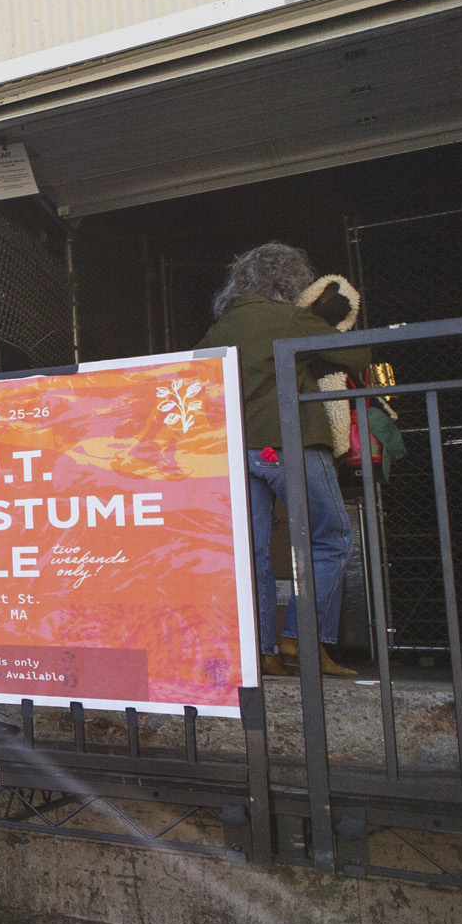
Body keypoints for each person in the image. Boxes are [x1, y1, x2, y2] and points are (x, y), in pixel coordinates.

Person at [199, 243, 372, 677]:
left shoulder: (218, 331)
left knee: (253, 551)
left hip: (235, 453)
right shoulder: (292, 319)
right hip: (288, 444)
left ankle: (262, 651)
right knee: (332, 537)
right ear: (289, 283)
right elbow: (359, 356)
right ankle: (302, 639)